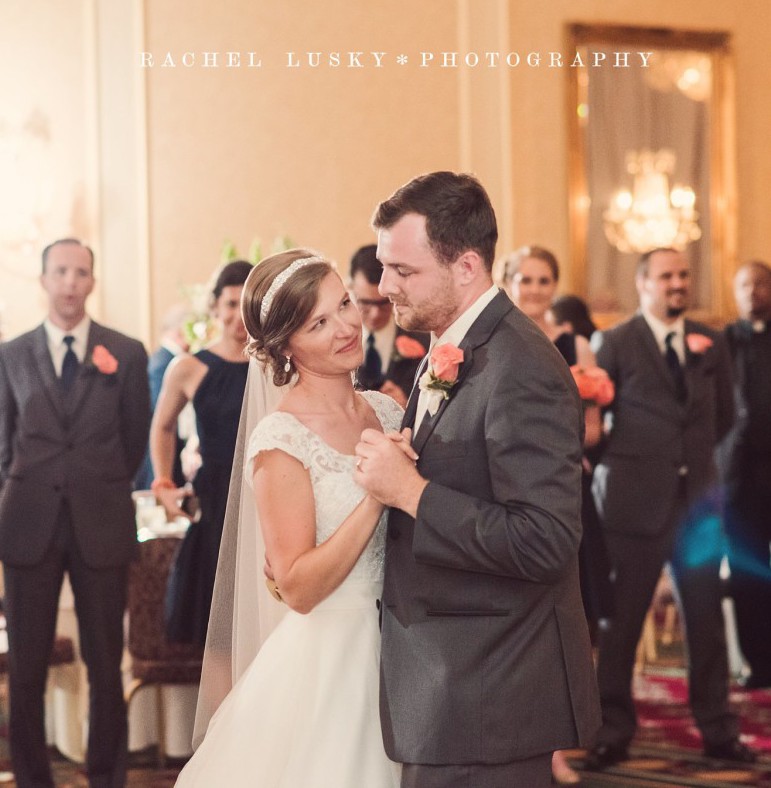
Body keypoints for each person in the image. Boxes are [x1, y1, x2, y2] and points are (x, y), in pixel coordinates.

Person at [354, 171, 600, 788]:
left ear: (465, 267)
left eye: (402, 272)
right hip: (456, 689)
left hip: (489, 691)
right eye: (384, 269)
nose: (384, 289)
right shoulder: (458, 345)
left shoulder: (521, 367)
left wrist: (411, 493)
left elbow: (544, 539)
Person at [176, 249, 405, 787]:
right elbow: (298, 587)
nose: (346, 327)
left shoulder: (389, 411)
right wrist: (374, 496)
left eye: (344, 304)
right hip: (333, 660)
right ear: (285, 346)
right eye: (318, 323)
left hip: (406, 645)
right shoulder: (281, 441)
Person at [586, 247, 755, 769]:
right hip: (633, 508)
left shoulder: (712, 343)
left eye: (684, 274)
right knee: (622, 627)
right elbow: (595, 427)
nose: (677, 283)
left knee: (705, 626)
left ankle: (718, 731)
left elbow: (726, 416)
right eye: (666, 276)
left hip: (697, 510)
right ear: (643, 285)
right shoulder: (612, 342)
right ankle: (610, 731)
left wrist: (693, 468)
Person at [0, 238, 150, 788]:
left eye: (80, 272)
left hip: (101, 522)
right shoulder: (10, 355)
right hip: (26, 526)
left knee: (105, 663)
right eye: (60, 271)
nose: (70, 281)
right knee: (27, 667)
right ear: (43, 279)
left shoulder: (126, 352)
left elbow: (135, 439)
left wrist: (99, 482)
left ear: (92, 281)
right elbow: (2, 444)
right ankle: (34, 778)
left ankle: (105, 776)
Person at [504, 245, 614, 785]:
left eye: (544, 280)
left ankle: (557, 746)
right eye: (525, 278)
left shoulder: (577, 345)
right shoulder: (493, 342)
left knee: (571, 622)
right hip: (509, 499)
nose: (535, 289)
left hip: (565, 497)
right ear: (507, 280)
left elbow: (592, 431)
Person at [150, 260, 251, 646]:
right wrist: (163, 482)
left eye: (247, 304)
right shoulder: (189, 367)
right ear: (214, 309)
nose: (239, 315)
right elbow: (162, 426)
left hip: (264, 496)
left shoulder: (279, 366)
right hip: (215, 500)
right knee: (219, 635)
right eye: (230, 304)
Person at [719, 260, 771, 688]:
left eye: (760, 283)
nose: (753, 291)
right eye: (744, 284)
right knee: (747, 569)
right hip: (739, 476)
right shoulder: (722, 343)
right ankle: (757, 662)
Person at [350, 243, 429, 406]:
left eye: (383, 303)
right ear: (350, 289)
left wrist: (408, 406)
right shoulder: (337, 340)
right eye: (365, 303)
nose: (375, 313)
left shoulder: (424, 339)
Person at [134, 304, 191, 491]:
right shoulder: (165, 362)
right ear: (180, 332)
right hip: (161, 455)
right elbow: (162, 412)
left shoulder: (163, 358)